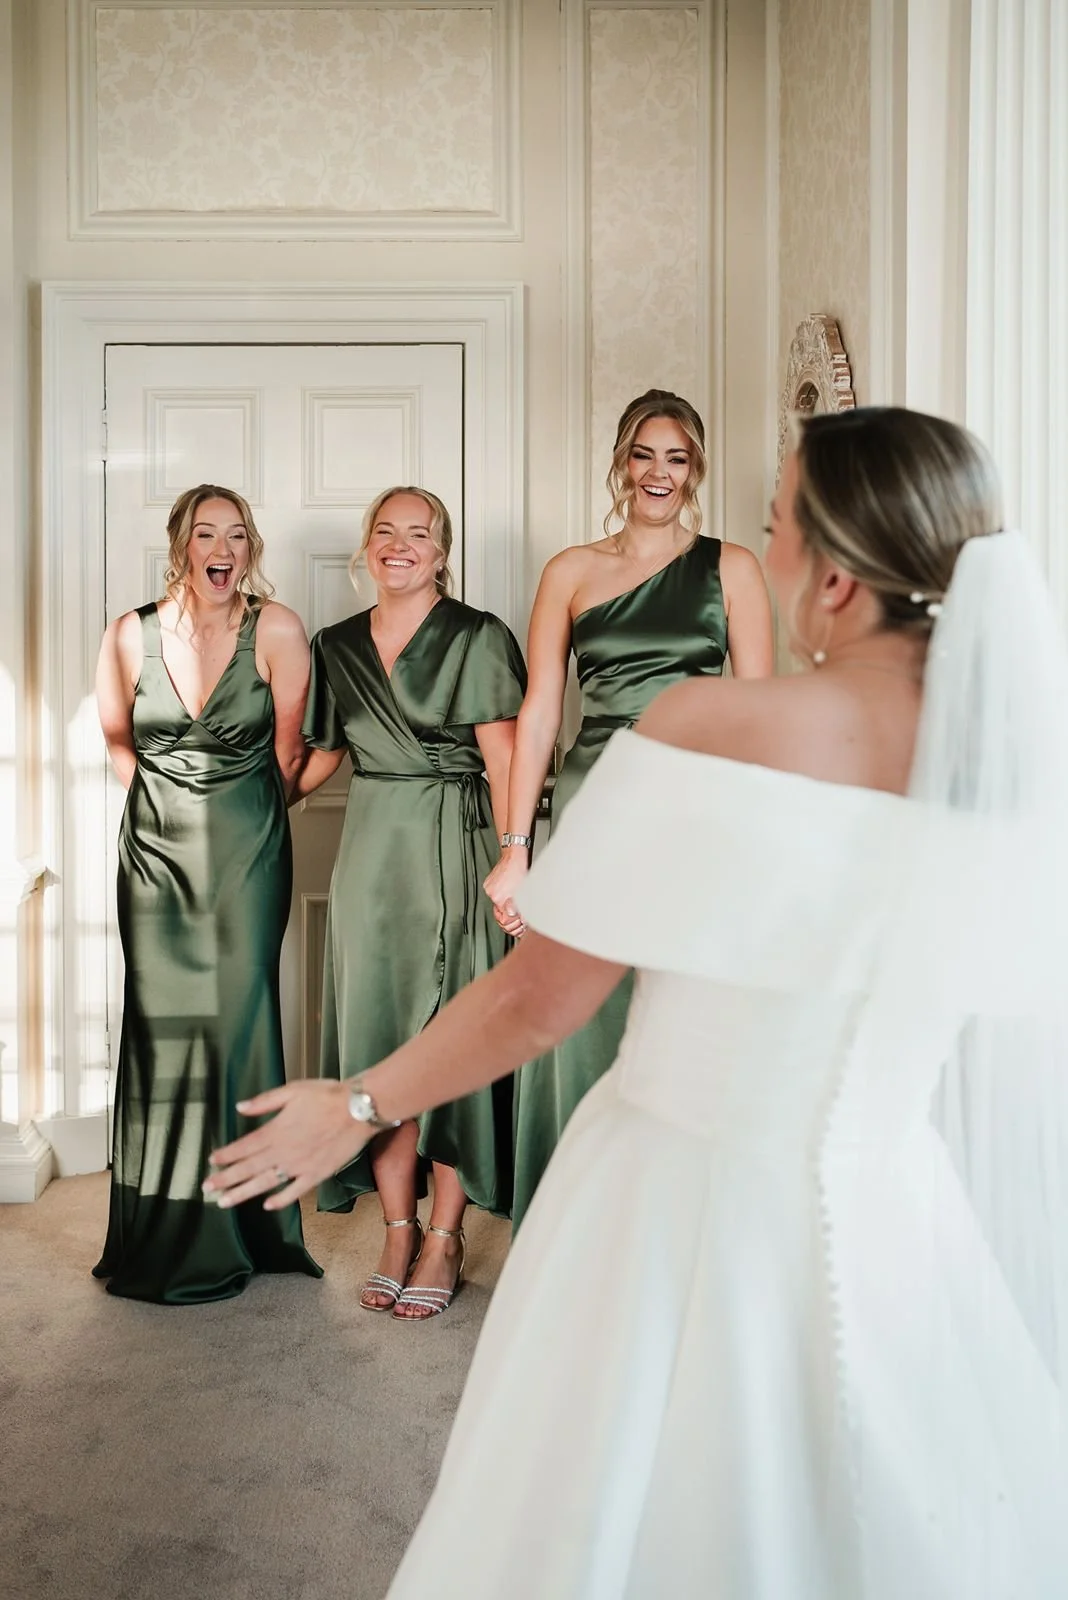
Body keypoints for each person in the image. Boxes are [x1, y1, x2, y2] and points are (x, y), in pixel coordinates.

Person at [204, 409, 1068, 1595]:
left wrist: (358, 1102)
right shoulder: (1016, 763)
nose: (760, 538)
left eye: (777, 519)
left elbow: (538, 1001)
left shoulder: (709, 726)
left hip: (675, 1189)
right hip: (890, 1202)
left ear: (830, 573)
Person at [484, 389, 773, 1226]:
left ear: (696, 470)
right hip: (592, 806)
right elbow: (540, 711)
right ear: (620, 464)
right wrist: (516, 845)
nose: (658, 472)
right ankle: (572, 1228)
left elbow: (755, 711)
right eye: (644, 455)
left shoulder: (733, 567)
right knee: (581, 1009)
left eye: (676, 457)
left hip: (695, 807)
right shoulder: (570, 572)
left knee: (687, 1009)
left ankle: (678, 1226)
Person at [292, 486, 526, 1319]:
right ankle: (397, 1227)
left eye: (417, 534)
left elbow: (505, 763)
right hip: (372, 861)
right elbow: (318, 759)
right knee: (379, 1048)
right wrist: (229, 794)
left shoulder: (479, 636)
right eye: (384, 532)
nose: (399, 546)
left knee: (452, 1047)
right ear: (366, 547)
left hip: (457, 851)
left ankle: (445, 1235)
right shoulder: (335, 646)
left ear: (441, 549)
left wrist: (514, 859)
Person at [93, 484, 321, 1304]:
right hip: (152, 863)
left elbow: (289, 763)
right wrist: (165, 810)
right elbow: (121, 741)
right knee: (161, 1034)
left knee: (236, 1027)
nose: (221, 547)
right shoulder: (131, 633)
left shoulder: (280, 629)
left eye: (236, 535)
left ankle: (248, 1227)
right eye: (205, 533)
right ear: (182, 544)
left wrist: (231, 816)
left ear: (249, 547)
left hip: (246, 863)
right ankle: (159, 1222)